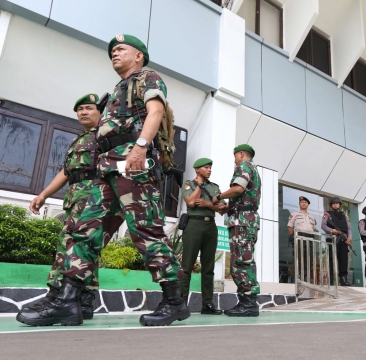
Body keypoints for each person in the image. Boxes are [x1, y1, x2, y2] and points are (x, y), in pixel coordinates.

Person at [19, 34, 189, 327]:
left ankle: (174, 301)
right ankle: (67, 301)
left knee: (146, 232)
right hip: (105, 169)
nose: (114, 53)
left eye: (121, 49)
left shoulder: (147, 77)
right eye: (112, 50)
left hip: (131, 164)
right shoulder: (114, 92)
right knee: (84, 231)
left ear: (138, 55)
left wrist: (140, 146)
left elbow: (156, 111)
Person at [16, 94, 124, 325]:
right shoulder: (80, 140)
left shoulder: (109, 135)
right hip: (77, 196)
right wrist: (43, 195)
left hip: (98, 195)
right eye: (80, 109)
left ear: (101, 112)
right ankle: (81, 301)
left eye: (89, 108)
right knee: (75, 247)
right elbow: (66, 172)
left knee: (81, 246)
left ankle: (63, 299)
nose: (83, 112)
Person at [211, 144, 261, 317]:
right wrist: (229, 208)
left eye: (235, 156)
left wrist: (218, 197)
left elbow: (238, 188)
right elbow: (243, 195)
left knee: (241, 262)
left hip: (243, 221)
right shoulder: (254, 169)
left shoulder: (244, 166)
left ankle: (249, 304)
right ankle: (246, 302)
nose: (234, 160)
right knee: (243, 260)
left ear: (241, 154)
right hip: (245, 219)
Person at [180, 158, 227, 315]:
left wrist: (208, 205)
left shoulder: (214, 187)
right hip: (194, 225)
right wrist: (199, 186)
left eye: (210, 168)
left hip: (210, 226)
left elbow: (223, 208)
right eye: (206, 167)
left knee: (209, 268)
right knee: (187, 266)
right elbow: (191, 202)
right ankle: (181, 303)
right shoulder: (188, 184)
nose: (209, 170)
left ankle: (207, 304)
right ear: (197, 169)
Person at [321, 197, 352, 286]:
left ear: (339, 205)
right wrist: (332, 231)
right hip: (332, 239)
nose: (335, 204)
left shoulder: (344, 215)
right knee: (331, 259)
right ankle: (330, 280)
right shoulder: (327, 214)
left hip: (343, 240)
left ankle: (343, 279)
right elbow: (323, 225)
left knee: (343, 260)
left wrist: (349, 238)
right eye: (333, 203)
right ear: (331, 205)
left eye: (337, 203)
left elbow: (349, 228)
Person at [287, 196, 317, 281]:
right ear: (299, 204)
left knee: (308, 259)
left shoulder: (311, 216)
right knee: (298, 259)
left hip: (309, 238)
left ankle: (305, 278)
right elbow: (290, 226)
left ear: (308, 205)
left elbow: (314, 228)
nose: (304, 203)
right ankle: (296, 278)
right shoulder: (295, 214)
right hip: (299, 237)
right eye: (302, 202)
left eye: (305, 202)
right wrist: (294, 236)